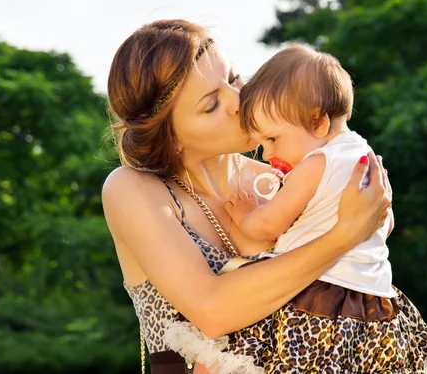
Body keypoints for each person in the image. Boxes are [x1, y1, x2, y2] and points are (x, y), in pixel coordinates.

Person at [102, 19, 392, 374]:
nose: (238, 100)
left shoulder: (286, 177)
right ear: (170, 135)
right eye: (211, 105)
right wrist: (343, 236)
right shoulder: (135, 190)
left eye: (234, 78)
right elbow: (212, 311)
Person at [165, 44, 427, 373]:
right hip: (372, 302)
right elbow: (383, 225)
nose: (267, 154)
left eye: (273, 139)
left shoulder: (315, 164)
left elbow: (268, 225)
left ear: (317, 123)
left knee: (227, 357)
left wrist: (243, 214)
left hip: (317, 295)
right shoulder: (364, 156)